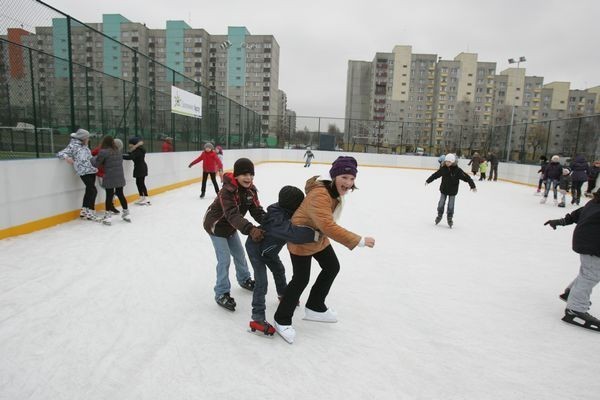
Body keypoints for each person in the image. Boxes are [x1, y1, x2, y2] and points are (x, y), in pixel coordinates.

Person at [273, 156, 376, 344]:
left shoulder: (332, 191)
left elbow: (325, 225)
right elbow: (328, 226)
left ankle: (315, 306)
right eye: (344, 177)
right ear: (335, 176)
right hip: (302, 239)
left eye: (352, 178)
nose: (348, 183)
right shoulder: (320, 194)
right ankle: (281, 319)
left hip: (317, 237)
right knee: (301, 279)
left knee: (332, 267)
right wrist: (359, 240)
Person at [246, 186, 320, 336]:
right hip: (256, 249)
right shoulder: (278, 220)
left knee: (279, 270)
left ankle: (283, 295)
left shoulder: (285, 212)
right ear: (292, 205)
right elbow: (293, 234)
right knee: (262, 282)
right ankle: (257, 318)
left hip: (268, 251)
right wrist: (315, 235)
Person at [203, 158, 264, 311]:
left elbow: (257, 211)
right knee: (224, 259)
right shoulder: (226, 191)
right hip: (216, 227)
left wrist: (271, 222)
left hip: (231, 227)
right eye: (244, 174)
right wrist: (250, 229)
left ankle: (244, 280)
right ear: (236, 176)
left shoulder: (251, 191)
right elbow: (232, 215)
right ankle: (221, 292)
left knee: (239, 255)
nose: (248, 178)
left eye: (251, 174)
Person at [543, 178, 600, 332]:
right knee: (591, 274)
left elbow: (578, 214)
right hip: (593, 244)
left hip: (587, 241)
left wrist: (560, 221)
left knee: (590, 271)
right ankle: (575, 309)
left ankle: (571, 293)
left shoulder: (594, 203)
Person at [56, 128, 99, 221]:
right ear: (83, 138)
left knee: (89, 190)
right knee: (93, 191)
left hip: (91, 169)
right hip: (83, 171)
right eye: (87, 138)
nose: (89, 139)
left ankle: (84, 211)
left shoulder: (84, 145)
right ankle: (90, 212)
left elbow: (88, 157)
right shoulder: (73, 145)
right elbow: (60, 153)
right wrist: (66, 157)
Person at [425, 153, 476, 228]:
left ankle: (449, 218)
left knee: (451, 206)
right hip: (444, 189)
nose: (447, 163)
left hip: (453, 191)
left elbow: (467, 178)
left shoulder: (458, 170)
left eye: (449, 162)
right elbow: (435, 175)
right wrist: (428, 180)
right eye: (446, 161)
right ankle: (439, 215)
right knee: (441, 203)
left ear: (452, 162)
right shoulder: (443, 168)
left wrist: (472, 186)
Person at [91, 135, 131, 225]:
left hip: (109, 177)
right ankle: (126, 213)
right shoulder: (118, 152)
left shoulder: (103, 152)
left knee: (109, 196)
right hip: (119, 176)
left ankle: (108, 217)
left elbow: (96, 164)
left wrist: (92, 158)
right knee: (120, 194)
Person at [123, 137, 150, 205]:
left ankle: (146, 198)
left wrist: (120, 156)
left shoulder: (138, 150)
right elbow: (131, 154)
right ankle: (141, 197)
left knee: (141, 183)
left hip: (141, 168)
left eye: (130, 143)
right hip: (139, 167)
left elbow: (131, 157)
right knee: (138, 183)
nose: (129, 145)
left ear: (133, 144)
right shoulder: (136, 149)